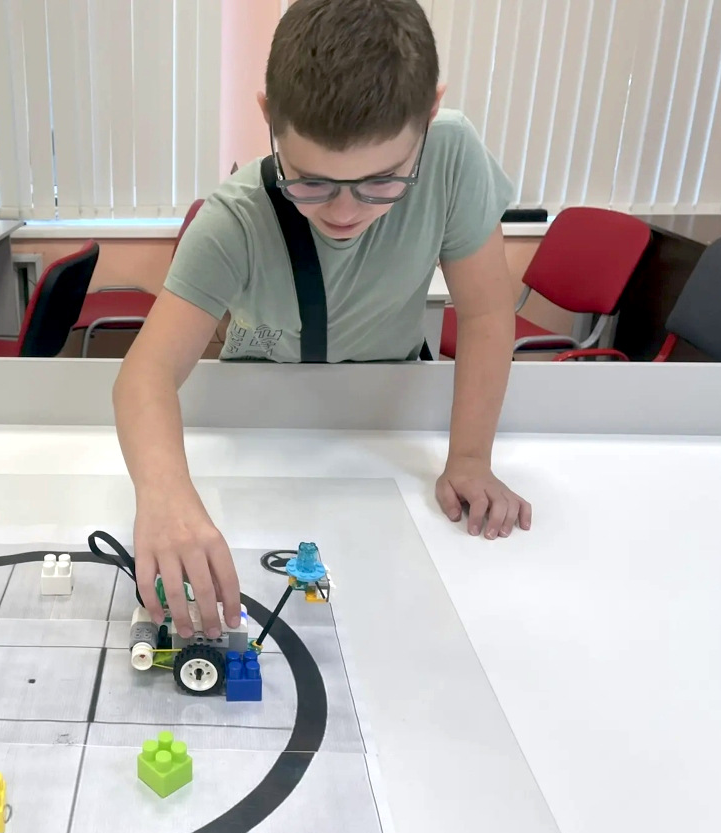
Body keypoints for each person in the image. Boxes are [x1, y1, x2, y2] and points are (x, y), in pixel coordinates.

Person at [112, 0, 532, 640]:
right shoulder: (235, 220)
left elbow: (485, 311)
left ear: (428, 116)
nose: (344, 211)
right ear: (269, 119)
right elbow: (144, 375)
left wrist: (471, 457)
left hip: (382, 425)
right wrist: (165, 496)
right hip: (261, 429)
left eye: (382, 181)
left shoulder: (453, 157)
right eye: (310, 182)